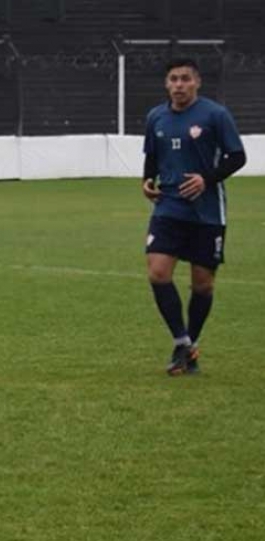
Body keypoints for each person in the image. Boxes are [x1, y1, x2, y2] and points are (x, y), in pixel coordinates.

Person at [142, 58, 245, 375]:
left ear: (197, 82)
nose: (179, 85)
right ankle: (182, 341)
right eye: (173, 79)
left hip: (207, 211)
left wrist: (206, 179)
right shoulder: (155, 117)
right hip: (169, 207)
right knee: (158, 273)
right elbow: (153, 157)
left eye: (185, 79)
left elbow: (237, 156)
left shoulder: (215, 115)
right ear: (166, 84)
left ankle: (190, 346)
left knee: (202, 285)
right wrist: (147, 182)